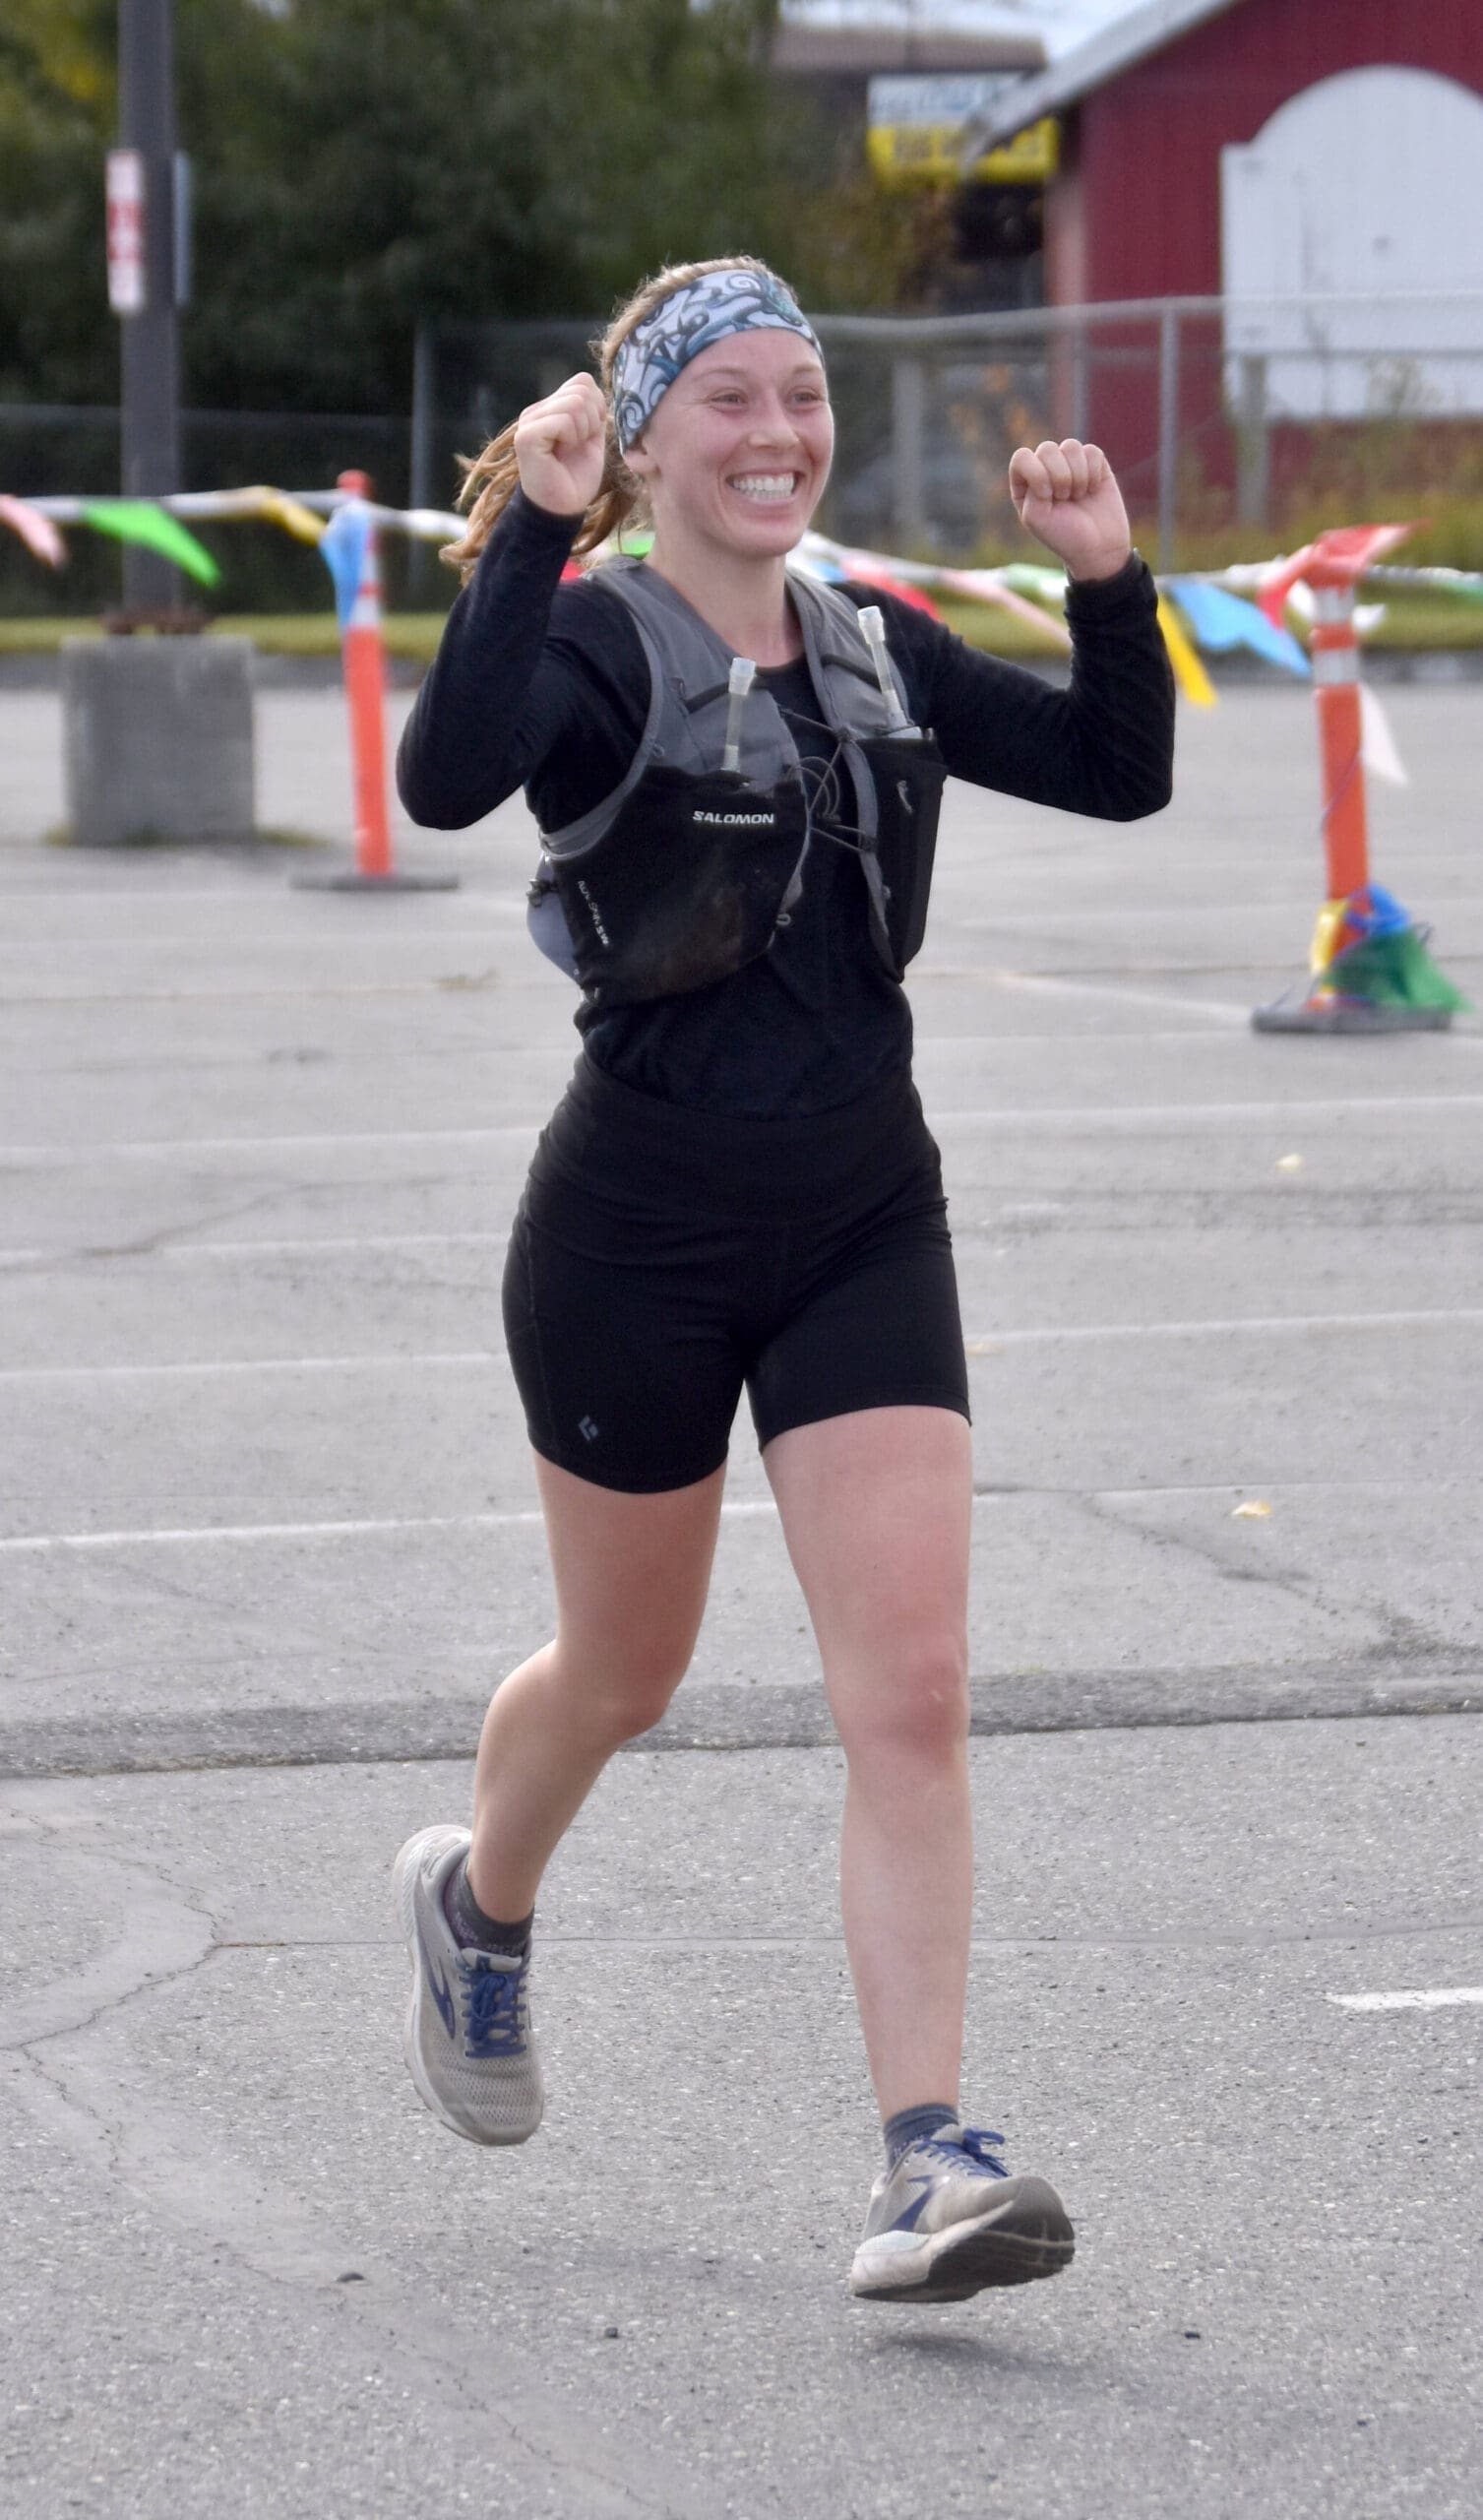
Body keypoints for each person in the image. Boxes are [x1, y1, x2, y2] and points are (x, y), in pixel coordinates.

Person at [393, 257, 1173, 2305]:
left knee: (907, 1692)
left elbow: (1117, 764)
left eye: (801, 393)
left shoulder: (876, 648)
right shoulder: (581, 642)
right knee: (621, 1677)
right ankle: (481, 1899)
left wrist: (1107, 576)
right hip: (628, 1243)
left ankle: (931, 2157)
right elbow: (448, 775)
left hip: (857, 1222)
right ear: (641, 438)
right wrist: (533, 530)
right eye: (723, 397)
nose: (774, 431)